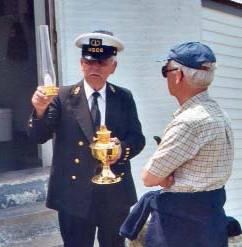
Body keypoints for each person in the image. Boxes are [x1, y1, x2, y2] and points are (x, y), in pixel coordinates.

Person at [28, 30, 145, 247]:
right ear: (82, 63)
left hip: (114, 194)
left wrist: (121, 150)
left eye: (101, 62)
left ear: (113, 66)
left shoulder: (124, 97)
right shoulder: (62, 97)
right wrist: (40, 111)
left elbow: (137, 139)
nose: (95, 68)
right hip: (74, 196)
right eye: (90, 62)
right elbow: (39, 136)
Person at [141, 42, 234, 247]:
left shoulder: (189, 122)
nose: (166, 76)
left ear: (178, 75)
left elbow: (149, 177)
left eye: (165, 70)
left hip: (180, 229)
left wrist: (163, 175)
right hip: (210, 222)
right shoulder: (219, 114)